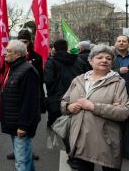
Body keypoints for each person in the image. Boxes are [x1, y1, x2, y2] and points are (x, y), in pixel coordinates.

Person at [61, 45, 129, 171]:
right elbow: (64, 101)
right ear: (91, 60)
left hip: (106, 141)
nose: (104, 60)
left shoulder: (118, 83)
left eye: (108, 58)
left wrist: (93, 106)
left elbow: (124, 112)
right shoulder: (79, 80)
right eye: (99, 57)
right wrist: (68, 107)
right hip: (80, 139)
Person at [44, 39, 86, 169]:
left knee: (64, 128)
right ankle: (81, 155)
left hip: (59, 99)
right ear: (67, 47)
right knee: (78, 127)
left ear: (54, 49)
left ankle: (73, 156)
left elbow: (48, 80)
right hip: (78, 97)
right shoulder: (79, 60)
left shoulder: (51, 61)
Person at [0, 40, 41, 171]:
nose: (5, 53)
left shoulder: (27, 71)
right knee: (26, 158)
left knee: (21, 162)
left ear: (17, 55)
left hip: (21, 124)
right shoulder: (14, 68)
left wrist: (23, 125)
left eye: (9, 51)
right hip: (15, 122)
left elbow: (30, 101)